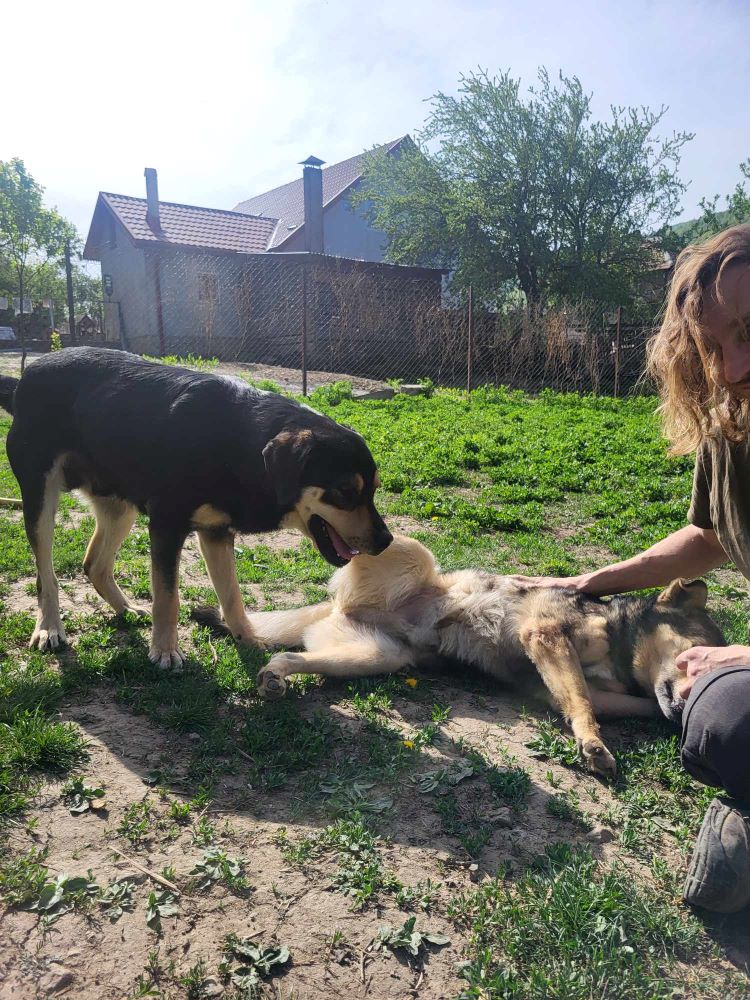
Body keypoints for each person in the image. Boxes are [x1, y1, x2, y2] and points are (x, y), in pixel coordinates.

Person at [516, 223, 750, 913]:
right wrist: (590, 582)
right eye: (715, 346)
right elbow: (707, 538)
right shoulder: (730, 418)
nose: (735, 367)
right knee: (719, 715)